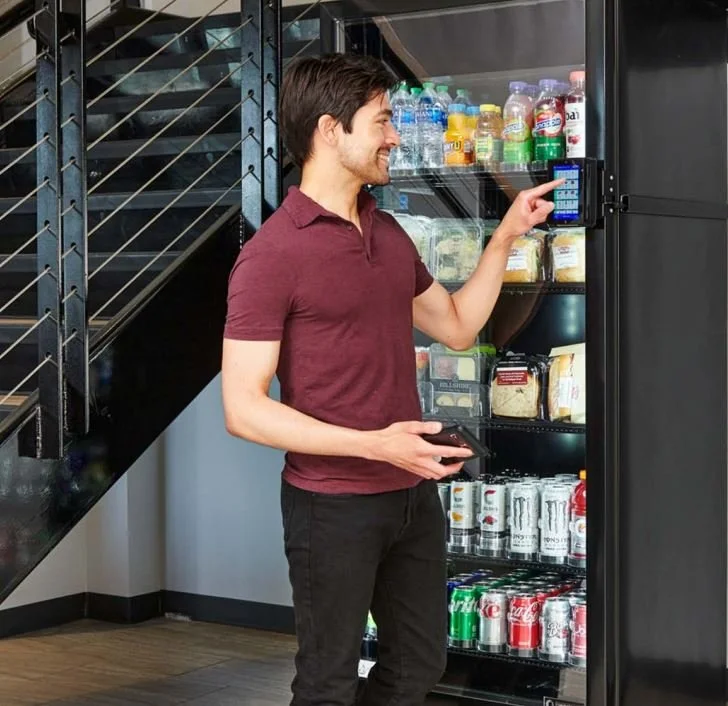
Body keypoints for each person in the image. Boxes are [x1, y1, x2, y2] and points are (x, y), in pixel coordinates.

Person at [221, 53, 561, 706]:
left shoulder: (389, 234)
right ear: (329, 130)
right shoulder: (271, 258)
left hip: (409, 498)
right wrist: (375, 444)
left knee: (419, 665)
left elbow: (458, 326)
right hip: (331, 505)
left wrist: (506, 238)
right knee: (327, 684)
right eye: (382, 121)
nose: (396, 137)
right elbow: (242, 408)